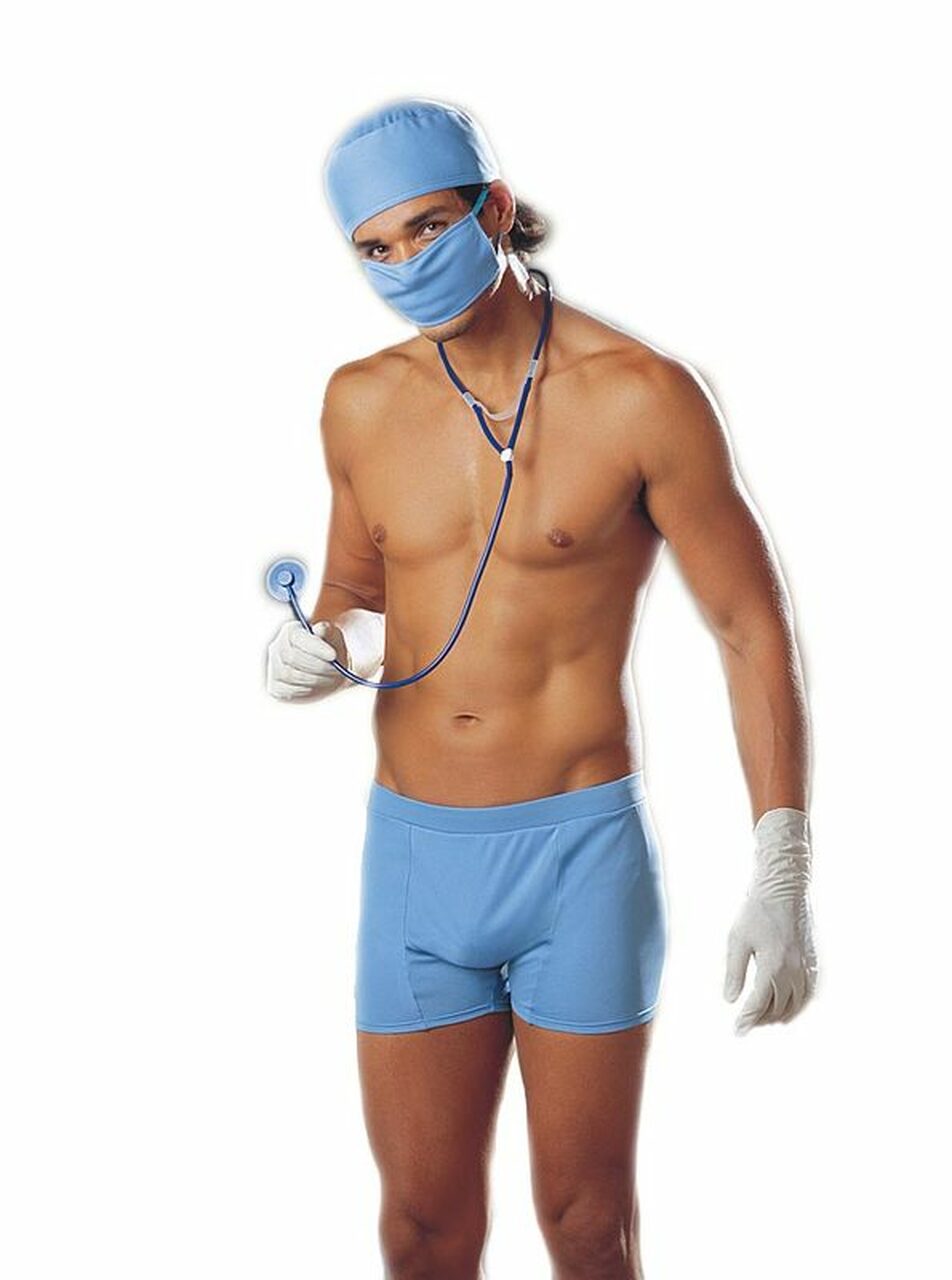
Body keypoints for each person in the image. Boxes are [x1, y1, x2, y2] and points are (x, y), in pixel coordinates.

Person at [265, 97, 818, 1280]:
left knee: (584, 1223)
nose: (405, 262)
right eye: (375, 246)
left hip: (580, 856)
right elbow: (356, 586)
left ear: (495, 210)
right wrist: (320, 641)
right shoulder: (358, 399)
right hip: (416, 855)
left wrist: (781, 867)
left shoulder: (641, 393)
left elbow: (747, 624)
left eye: (427, 226)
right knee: (421, 1228)